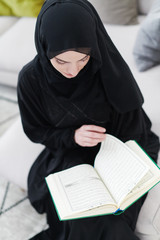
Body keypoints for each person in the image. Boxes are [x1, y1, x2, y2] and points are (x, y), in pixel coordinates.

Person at [17, 0, 160, 239]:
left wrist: (113, 159)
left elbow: (132, 129)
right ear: (44, 48)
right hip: (69, 153)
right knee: (83, 217)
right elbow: (36, 131)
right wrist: (72, 136)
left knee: (110, 218)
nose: (73, 71)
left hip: (117, 150)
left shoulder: (107, 70)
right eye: (61, 61)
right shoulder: (31, 80)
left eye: (82, 58)